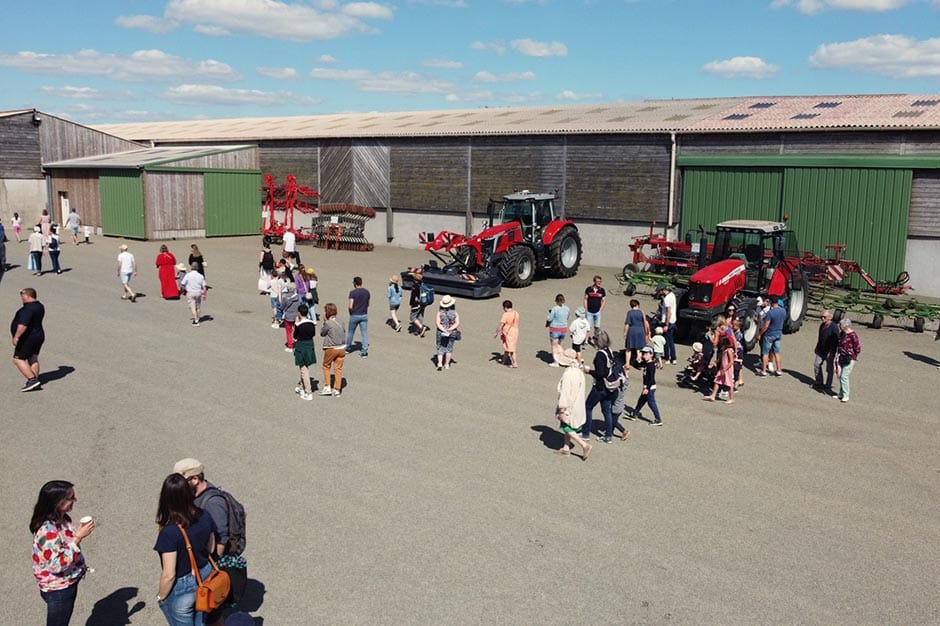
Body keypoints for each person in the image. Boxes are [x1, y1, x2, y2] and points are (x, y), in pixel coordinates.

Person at [173, 459, 248, 623]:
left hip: (209, 564)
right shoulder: (196, 496)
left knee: (210, 610)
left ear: (195, 479)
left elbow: (221, 538)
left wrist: (212, 569)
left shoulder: (213, 503)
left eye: (182, 481)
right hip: (200, 561)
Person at [154, 473, 217, 626]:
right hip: (205, 575)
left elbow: (169, 575)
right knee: (201, 619)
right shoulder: (204, 516)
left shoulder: (169, 532)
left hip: (183, 586)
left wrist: (161, 596)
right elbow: (211, 548)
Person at [30, 480, 95, 626]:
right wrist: (78, 538)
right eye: (71, 498)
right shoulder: (48, 532)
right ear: (58, 502)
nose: (75, 500)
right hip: (58, 589)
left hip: (65, 582)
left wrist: (77, 533)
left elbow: (63, 545)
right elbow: (57, 565)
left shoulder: (61, 518)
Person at [582, 330, 628, 443]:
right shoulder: (609, 351)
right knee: (606, 411)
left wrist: (589, 371)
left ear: (598, 341)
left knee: (588, 407)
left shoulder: (600, 355)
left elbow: (601, 373)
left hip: (600, 387)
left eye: (594, 339)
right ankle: (608, 436)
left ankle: (585, 433)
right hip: (611, 387)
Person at [554, 348, 593, 460]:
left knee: (566, 427)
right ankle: (566, 447)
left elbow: (566, 392)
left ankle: (584, 445)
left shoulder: (568, 374)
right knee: (570, 426)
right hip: (578, 404)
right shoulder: (578, 371)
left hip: (569, 405)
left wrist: (562, 409)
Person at [11, 287, 45, 391]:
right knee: (33, 358)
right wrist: (22, 291)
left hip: (27, 338)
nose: (22, 298)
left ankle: (32, 380)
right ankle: (35, 381)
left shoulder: (27, 310)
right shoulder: (39, 306)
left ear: (27, 296)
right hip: (38, 336)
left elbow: (23, 325)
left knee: (18, 359)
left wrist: (16, 337)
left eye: (22, 296)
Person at [632, 345, 663, 426]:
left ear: (651, 354)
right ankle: (634, 414)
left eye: (646, 354)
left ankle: (658, 419)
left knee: (651, 402)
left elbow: (651, 379)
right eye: (643, 354)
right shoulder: (645, 363)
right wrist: (638, 358)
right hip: (646, 386)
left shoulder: (651, 366)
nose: (644, 356)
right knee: (641, 400)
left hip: (650, 387)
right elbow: (636, 365)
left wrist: (647, 388)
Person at [319, 302, 345, 397]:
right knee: (338, 368)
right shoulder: (341, 321)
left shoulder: (328, 323)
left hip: (331, 347)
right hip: (342, 347)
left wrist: (325, 322)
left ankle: (327, 387)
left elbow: (322, 333)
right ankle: (337, 389)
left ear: (327, 312)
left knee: (326, 366)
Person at [292, 303, 317, 399]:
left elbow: (294, 337)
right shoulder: (311, 323)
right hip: (310, 345)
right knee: (305, 368)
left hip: (301, 347)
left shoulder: (298, 325)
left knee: (304, 369)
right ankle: (301, 386)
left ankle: (308, 392)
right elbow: (313, 334)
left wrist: (295, 324)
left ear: (299, 313)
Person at [813, 309, 840, 394]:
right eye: (821, 317)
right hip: (820, 350)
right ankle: (819, 382)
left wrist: (831, 352)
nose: (822, 318)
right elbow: (820, 338)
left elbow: (835, 341)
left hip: (829, 352)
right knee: (817, 365)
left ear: (830, 317)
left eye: (824, 317)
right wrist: (817, 347)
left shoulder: (834, 327)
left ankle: (828, 385)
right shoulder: (822, 325)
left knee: (829, 369)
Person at [834, 318, 861, 403]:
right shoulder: (842, 333)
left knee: (844, 376)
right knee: (840, 375)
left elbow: (857, 348)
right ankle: (841, 393)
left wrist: (853, 355)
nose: (839, 326)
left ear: (845, 326)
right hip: (841, 356)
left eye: (841, 325)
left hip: (850, 358)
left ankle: (846, 395)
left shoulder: (853, 335)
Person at [758, 298, 787, 376]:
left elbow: (766, 325)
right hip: (778, 333)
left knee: (765, 353)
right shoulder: (783, 311)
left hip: (769, 334)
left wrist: (760, 334)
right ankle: (779, 370)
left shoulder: (770, 313)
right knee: (777, 353)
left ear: (771, 302)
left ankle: (764, 371)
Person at [704, 334, 736, 404]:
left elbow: (731, 362)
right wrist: (714, 362)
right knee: (717, 381)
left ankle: (731, 399)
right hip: (722, 368)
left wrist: (725, 369)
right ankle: (713, 395)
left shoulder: (729, 351)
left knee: (729, 383)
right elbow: (721, 359)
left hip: (727, 370)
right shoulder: (724, 350)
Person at [345, 276, 370, 358]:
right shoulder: (367, 292)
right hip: (364, 314)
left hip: (355, 314)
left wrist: (350, 313)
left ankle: (348, 348)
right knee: (364, 333)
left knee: (351, 332)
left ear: (355, 283)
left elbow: (350, 306)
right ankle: (364, 352)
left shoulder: (353, 293)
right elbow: (368, 304)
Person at [435, 295, 460, 371]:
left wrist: (444, 329)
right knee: (449, 348)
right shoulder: (455, 313)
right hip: (452, 332)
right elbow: (457, 323)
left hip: (441, 332)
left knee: (440, 347)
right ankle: (446, 364)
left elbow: (438, 323)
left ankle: (439, 363)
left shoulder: (439, 313)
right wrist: (450, 329)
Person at [623, 298, 650, 367]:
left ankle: (627, 363)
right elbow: (645, 322)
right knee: (639, 348)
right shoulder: (641, 312)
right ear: (638, 304)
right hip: (641, 330)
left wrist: (625, 333)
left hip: (632, 330)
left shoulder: (630, 313)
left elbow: (627, 324)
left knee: (628, 349)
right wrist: (647, 332)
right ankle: (638, 362)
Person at [656, 283, 678, 364]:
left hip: (668, 322)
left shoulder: (667, 299)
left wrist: (666, 324)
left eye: (659, 291)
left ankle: (667, 358)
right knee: (671, 341)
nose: (659, 293)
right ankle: (674, 358)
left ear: (663, 290)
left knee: (666, 341)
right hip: (673, 321)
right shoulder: (672, 295)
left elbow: (669, 312)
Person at [546, 293, 569, 366]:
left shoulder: (554, 309)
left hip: (555, 329)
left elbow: (550, 319)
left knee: (554, 346)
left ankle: (556, 362)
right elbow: (567, 317)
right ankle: (562, 359)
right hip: (563, 329)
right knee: (559, 345)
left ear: (556, 301)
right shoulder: (567, 309)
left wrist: (548, 318)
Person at [495, 300, 520, 368]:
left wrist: (497, 332)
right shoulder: (516, 313)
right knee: (508, 347)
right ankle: (503, 360)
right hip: (515, 332)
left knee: (511, 349)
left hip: (508, 333)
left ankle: (514, 363)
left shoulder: (505, 315)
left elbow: (501, 324)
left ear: (505, 307)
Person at [582, 275, 606, 344]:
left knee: (597, 327)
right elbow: (585, 299)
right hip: (589, 312)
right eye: (598, 281)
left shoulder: (602, 290)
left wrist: (600, 309)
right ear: (594, 281)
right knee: (588, 327)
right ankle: (586, 341)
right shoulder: (589, 289)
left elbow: (604, 300)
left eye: (600, 281)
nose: (599, 283)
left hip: (597, 312)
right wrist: (586, 309)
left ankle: (596, 341)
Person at [280, 282, 301, 351]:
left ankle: (290, 346)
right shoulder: (298, 297)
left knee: (288, 332)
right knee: (297, 330)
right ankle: (298, 343)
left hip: (288, 316)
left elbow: (282, 307)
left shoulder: (285, 297)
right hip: (296, 316)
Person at [408, 269, 429, 337]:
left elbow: (413, 297)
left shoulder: (415, 286)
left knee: (412, 317)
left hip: (416, 304)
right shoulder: (422, 284)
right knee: (420, 316)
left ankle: (421, 327)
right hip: (423, 303)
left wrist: (411, 304)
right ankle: (418, 330)